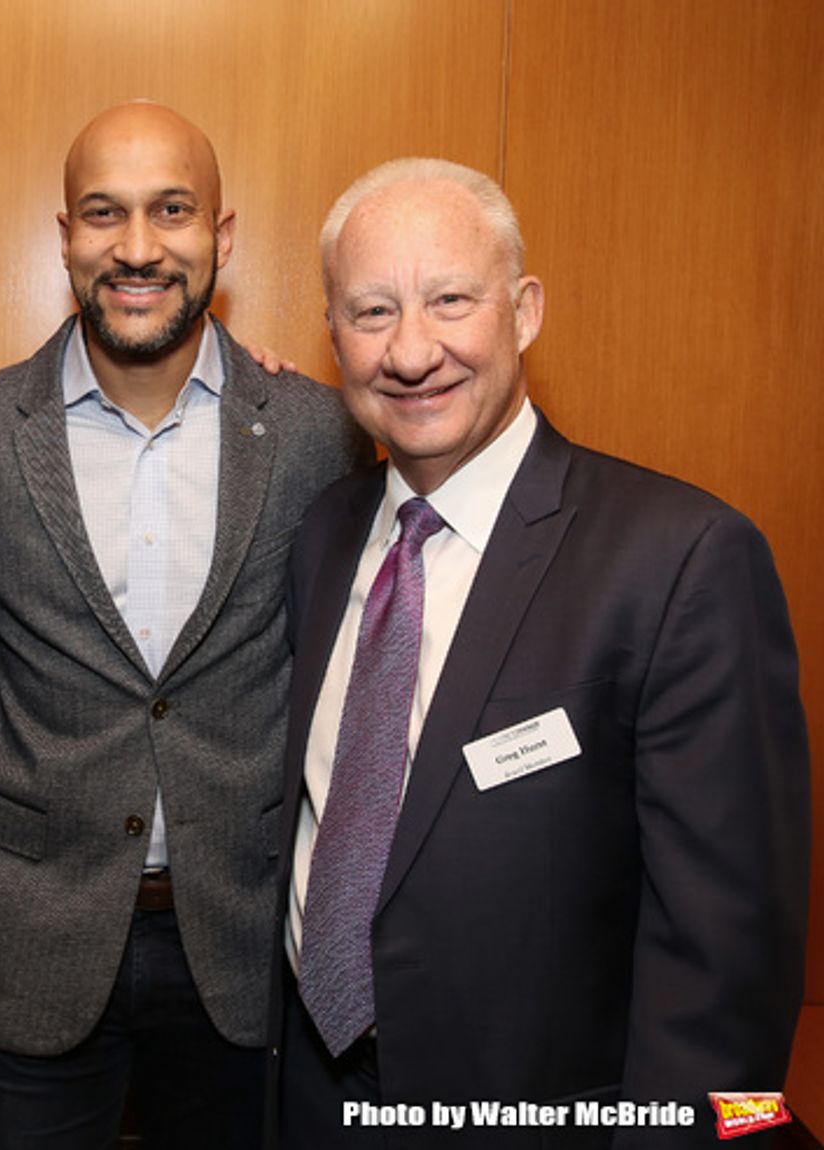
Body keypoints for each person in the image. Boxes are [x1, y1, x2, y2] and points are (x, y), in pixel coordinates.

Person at [272, 156, 810, 1148]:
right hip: (312, 1100)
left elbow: (724, 966)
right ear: (333, 336)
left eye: (450, 300)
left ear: (523, 313)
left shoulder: (678, 559)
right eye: (372, 311)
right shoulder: (323, 535)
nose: (411, 350)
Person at [0, 101, 369, 1148]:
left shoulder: (323, 434)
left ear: (221, 234)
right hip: (33, 945)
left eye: (171, 210)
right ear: (64, 236)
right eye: (102, 212)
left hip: (246, 942)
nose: (136, 247)